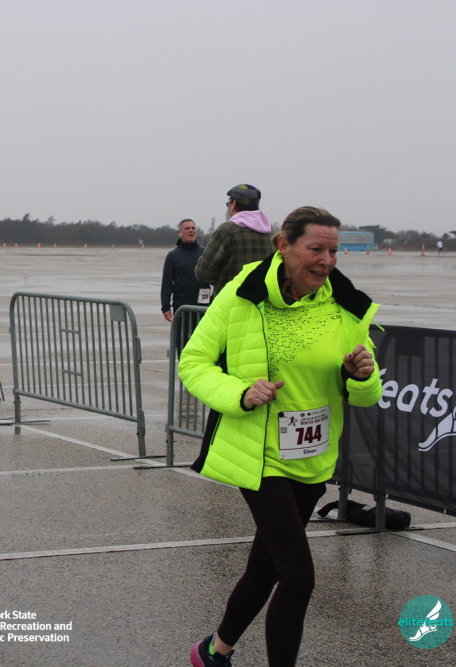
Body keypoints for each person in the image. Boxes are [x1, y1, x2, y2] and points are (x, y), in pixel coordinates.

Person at [179, 206, 382, 666]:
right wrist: (240, 393)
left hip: (312, 455)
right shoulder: (244, 294)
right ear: (283, 245)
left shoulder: (345, 306)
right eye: (316, 249)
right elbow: (193, 362)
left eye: (333, 251)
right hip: (260, 455)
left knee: (266, 567)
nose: (326, 260)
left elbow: (367, 394)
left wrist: (363, 376)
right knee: (298, 575)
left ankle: (213, 651)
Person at [195, 184, 273, 298]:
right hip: (262, 304)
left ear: (234, 204)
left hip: (229, 303)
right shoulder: (272, 233)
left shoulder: (227, 230)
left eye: (228, 204)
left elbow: (203, 274)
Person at [161, 218, 212, 322]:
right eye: (187, 228)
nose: (191, 230)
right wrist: (165, 307)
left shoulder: (205, 253)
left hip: (203, 306)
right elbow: (167, 284)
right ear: (180, 233)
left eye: (193, 228)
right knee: (182, 333)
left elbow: (215, 277)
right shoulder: (172, 256)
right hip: (182, 307)